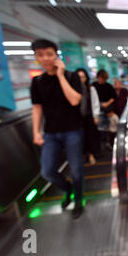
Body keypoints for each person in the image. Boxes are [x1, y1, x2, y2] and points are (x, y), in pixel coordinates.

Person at [30, 39, 85, 219]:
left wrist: (60, 75)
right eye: (40, 55)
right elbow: (37, 108)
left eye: (49, 54)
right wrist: (36, 132)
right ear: (36, 58)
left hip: (73, 130)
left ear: (56, 55)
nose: (45, 58)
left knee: (76, 169)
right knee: (47, 171)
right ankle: (67, 189)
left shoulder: (71, 77)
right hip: (51, 133)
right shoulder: (37, 82)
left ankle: (78, 199)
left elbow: (74, 100)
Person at [76, 68, 101, 165]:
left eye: (83, 77)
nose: (81, 79)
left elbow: (95, 102)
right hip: (78, 119)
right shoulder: (73, 89)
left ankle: (91, 155)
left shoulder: (90, 88)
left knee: (90, 137)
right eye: (79, 77)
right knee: (80, 138)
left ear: (86, 78)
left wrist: (96, 115)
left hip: (89, 116)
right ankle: (83, 154)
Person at [92, 69, 117, 139]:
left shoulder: (109, 86)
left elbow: (113, 97)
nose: (100, 80)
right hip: (96, 108)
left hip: (106, 109)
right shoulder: (94, 86)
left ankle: (106, 140)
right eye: (99, 78)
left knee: (106, 128)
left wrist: (107, 104)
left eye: (102, 78)